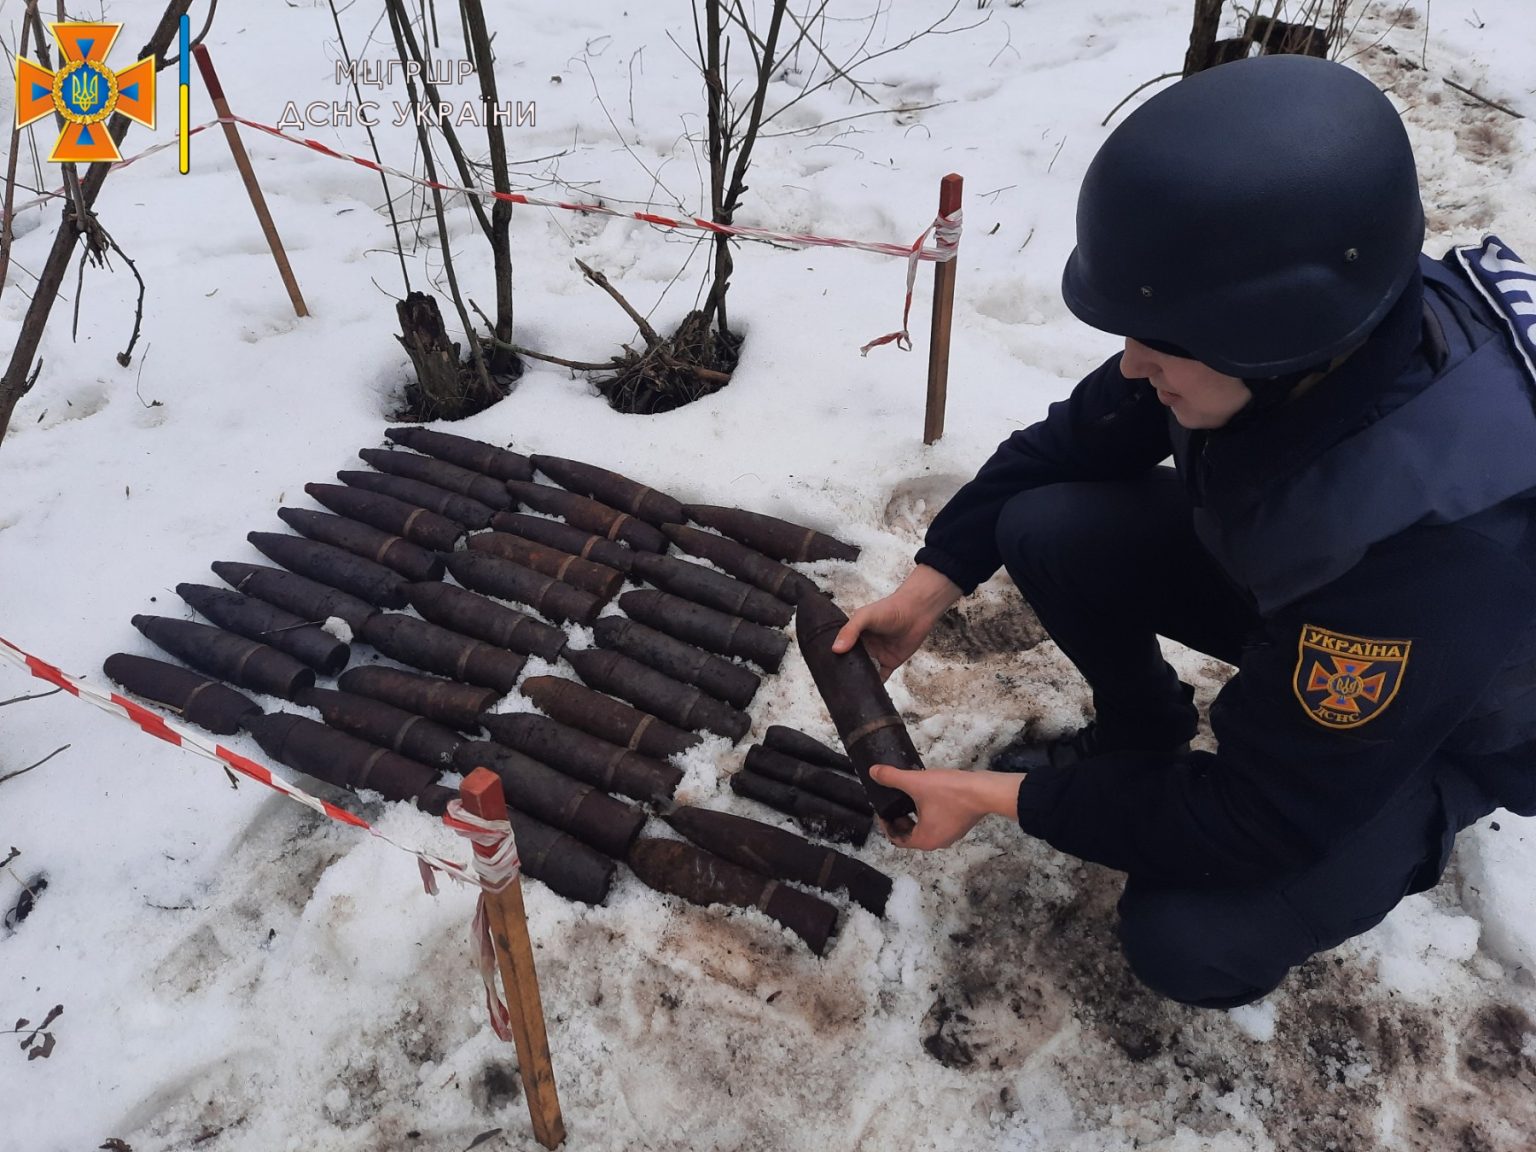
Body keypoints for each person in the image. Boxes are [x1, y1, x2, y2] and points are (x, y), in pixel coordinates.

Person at [832, 53, 1536, 1008]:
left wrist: (1000, 800)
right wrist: (930, 585)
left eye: (1158, 347)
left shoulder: (1437, 549)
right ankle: (1142, 734)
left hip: (1459, 716)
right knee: (1046, 523)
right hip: (1324, 595)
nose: (1130, 367)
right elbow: (1065, 446)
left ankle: (1431, 809)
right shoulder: (1299, 325)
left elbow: (1262, 818)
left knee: (1193, 936)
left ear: (1276, 345)